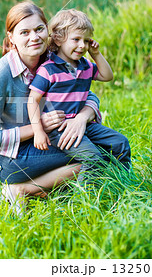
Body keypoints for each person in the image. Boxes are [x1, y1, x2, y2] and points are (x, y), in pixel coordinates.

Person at [0, 1, 113, 215]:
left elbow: (87, 93)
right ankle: (20, 189)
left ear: (47, 30)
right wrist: (38, 126)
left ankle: (50, 189)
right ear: (11, 37)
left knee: (109, 145)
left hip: (46, 141)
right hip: (11, 158)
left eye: (39, 29)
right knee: (99, 155)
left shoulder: (51, 59)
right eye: (25, 32)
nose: (35, 37)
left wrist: (81, 118)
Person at [27, 9, 131, 176]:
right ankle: (85, 197)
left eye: (86, 41)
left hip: (83, 124)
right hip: (59, 129)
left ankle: (124, 181)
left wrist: (96, 54)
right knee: (93, 159)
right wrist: (38, 131)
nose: (82, 46)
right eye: (76, 39)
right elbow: (33, 100)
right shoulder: (48, 69)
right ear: (59, 39)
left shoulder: (86, 65)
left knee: (120, 143)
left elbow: (107, 76)